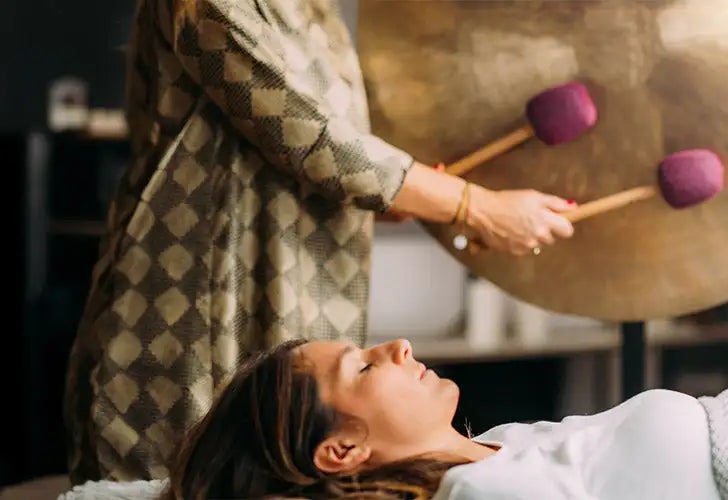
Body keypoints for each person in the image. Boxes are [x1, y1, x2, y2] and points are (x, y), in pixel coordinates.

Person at [62, 0, 576, 486]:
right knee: (190, 469)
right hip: (203, 283)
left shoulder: (318, 9)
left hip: (311, 285)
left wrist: (393, 198)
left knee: (301, 475)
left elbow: (309, 160)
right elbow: (309, 137)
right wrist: (473, 205)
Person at [60, 337, 728, 500]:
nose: (392, 348)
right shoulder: (488, 492)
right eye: (359, 364)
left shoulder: (505, 449)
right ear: (341, 450)